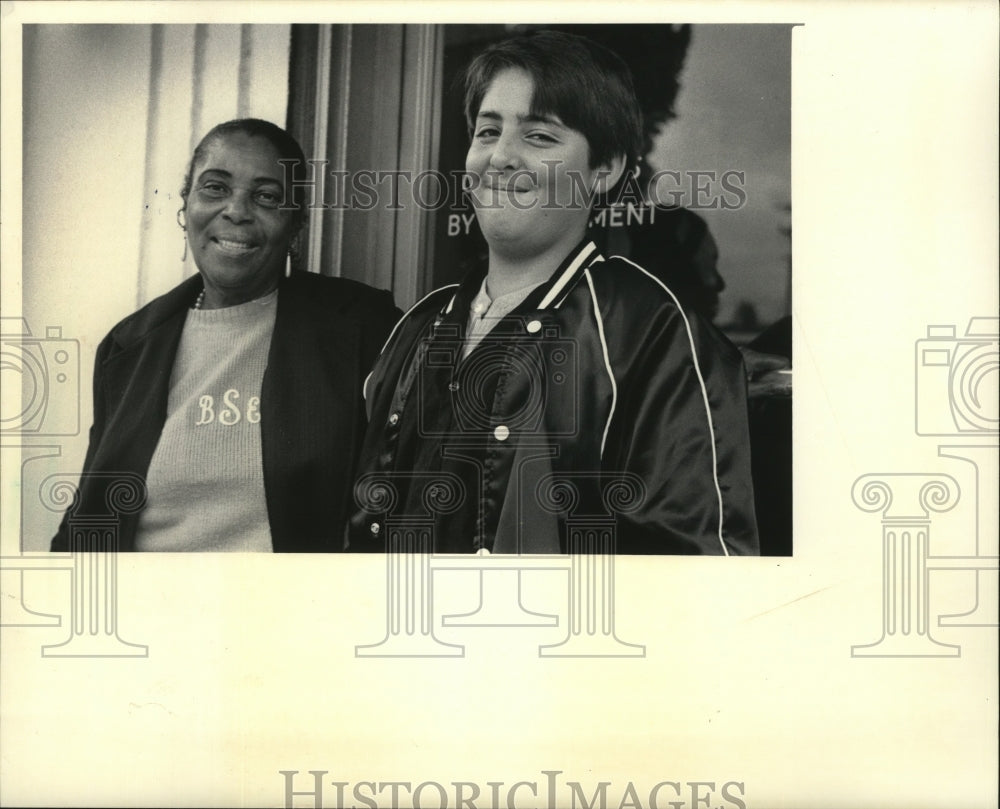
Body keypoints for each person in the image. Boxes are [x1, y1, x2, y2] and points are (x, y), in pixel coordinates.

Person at [348, 32, 758, 555]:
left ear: (604, 169)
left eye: (539, 136)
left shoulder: (650, 329)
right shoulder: (418, 326)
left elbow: (698, 576)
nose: (500, 157)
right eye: (487, 131)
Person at [51, 119, 400, 552]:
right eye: (215, 187)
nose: (236, 210)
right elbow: (89, 517)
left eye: (266, 196)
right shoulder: (129, 345)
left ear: (296, 225)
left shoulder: (359, 329)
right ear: (186, 205)